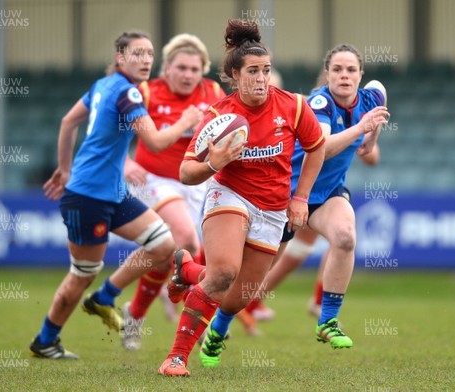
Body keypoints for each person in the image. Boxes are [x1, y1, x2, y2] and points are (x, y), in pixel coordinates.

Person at [157, 19, 326, 376]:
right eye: (253, 71)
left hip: (274, 209)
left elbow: (317, 148)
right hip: (229, 194)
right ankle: (176, 358)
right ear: (235, 74)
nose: (262, 78)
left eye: (266, 70)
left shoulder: (294, 106)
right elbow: (187, 173)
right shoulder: (219, 115)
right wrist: (213, 163)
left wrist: (301, 198)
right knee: (222, 274)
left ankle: (187, 268)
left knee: (238, 298)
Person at [29, 31, 203, 359]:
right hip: (88, 196)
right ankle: (45, 340)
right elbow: (154, 142)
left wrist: (64, 168)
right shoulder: (128, 94)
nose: (146, 60)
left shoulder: (103, 85)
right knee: (83, 274)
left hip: (114, 192)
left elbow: (68, 122)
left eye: (150, 53)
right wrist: (185, 121)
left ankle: (105, 297)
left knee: (164, 245)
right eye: (137, 54)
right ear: (120, 57)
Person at [209, 43, 389, 354]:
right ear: (327, 74)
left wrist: (370, 139)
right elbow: (321, 148)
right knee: (252, 279)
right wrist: (362, 128)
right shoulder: (319, 103)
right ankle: (219, 326)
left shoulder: (372, 96)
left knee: (345, 237)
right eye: (337, 70)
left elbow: (372, 130)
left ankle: (327, 320)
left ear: (361, 74)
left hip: (328, 193)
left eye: (350, 70)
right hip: (289, 194)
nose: (344, 75)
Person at [119, 33, 225, 351]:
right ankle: (193, 310)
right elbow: (107, 132)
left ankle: (134, 313)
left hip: (196, 180)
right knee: (187, 239)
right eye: (181, 67)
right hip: (154, 179)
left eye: (195, 69)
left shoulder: (214, 93)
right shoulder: (146, 92)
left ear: (203, 70)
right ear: (166, 68)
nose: (188, 74)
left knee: (169, 254)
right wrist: (123, 163)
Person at [246, 143, 381, 321]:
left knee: (336, 238)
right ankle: (238, 303)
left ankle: (248, 303)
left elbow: (372, 157)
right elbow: (322, 145)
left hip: (323, 189)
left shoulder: (358, 115)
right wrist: (355, 133)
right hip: (292, 184)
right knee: (266, 252)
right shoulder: (318, 115)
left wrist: (360, 134)